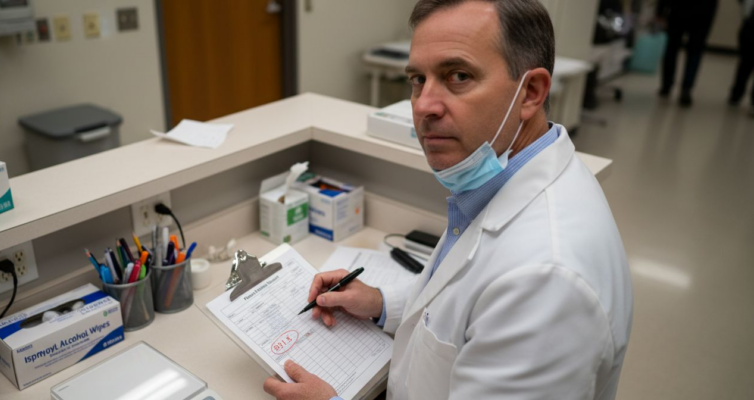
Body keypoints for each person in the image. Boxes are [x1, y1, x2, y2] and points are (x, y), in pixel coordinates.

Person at [263, 1, 633, 399]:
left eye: (458, 76)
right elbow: (462, 311)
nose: (423, 106)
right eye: (418, 80)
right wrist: (381, 302)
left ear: (530, 92)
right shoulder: (501, 178)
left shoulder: (546, 282)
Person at [656, 0, 719, 107]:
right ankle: (682, 88)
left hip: (687, 11)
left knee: (675, 49)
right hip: (698, 12)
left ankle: (671, 85)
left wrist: (660, 11)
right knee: (690, 52)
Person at [729, 0, 754, 114]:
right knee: (745, 62)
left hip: (749, 23)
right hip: (750, 25)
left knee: (745, 63)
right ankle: (736, 94)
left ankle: (738, 95)